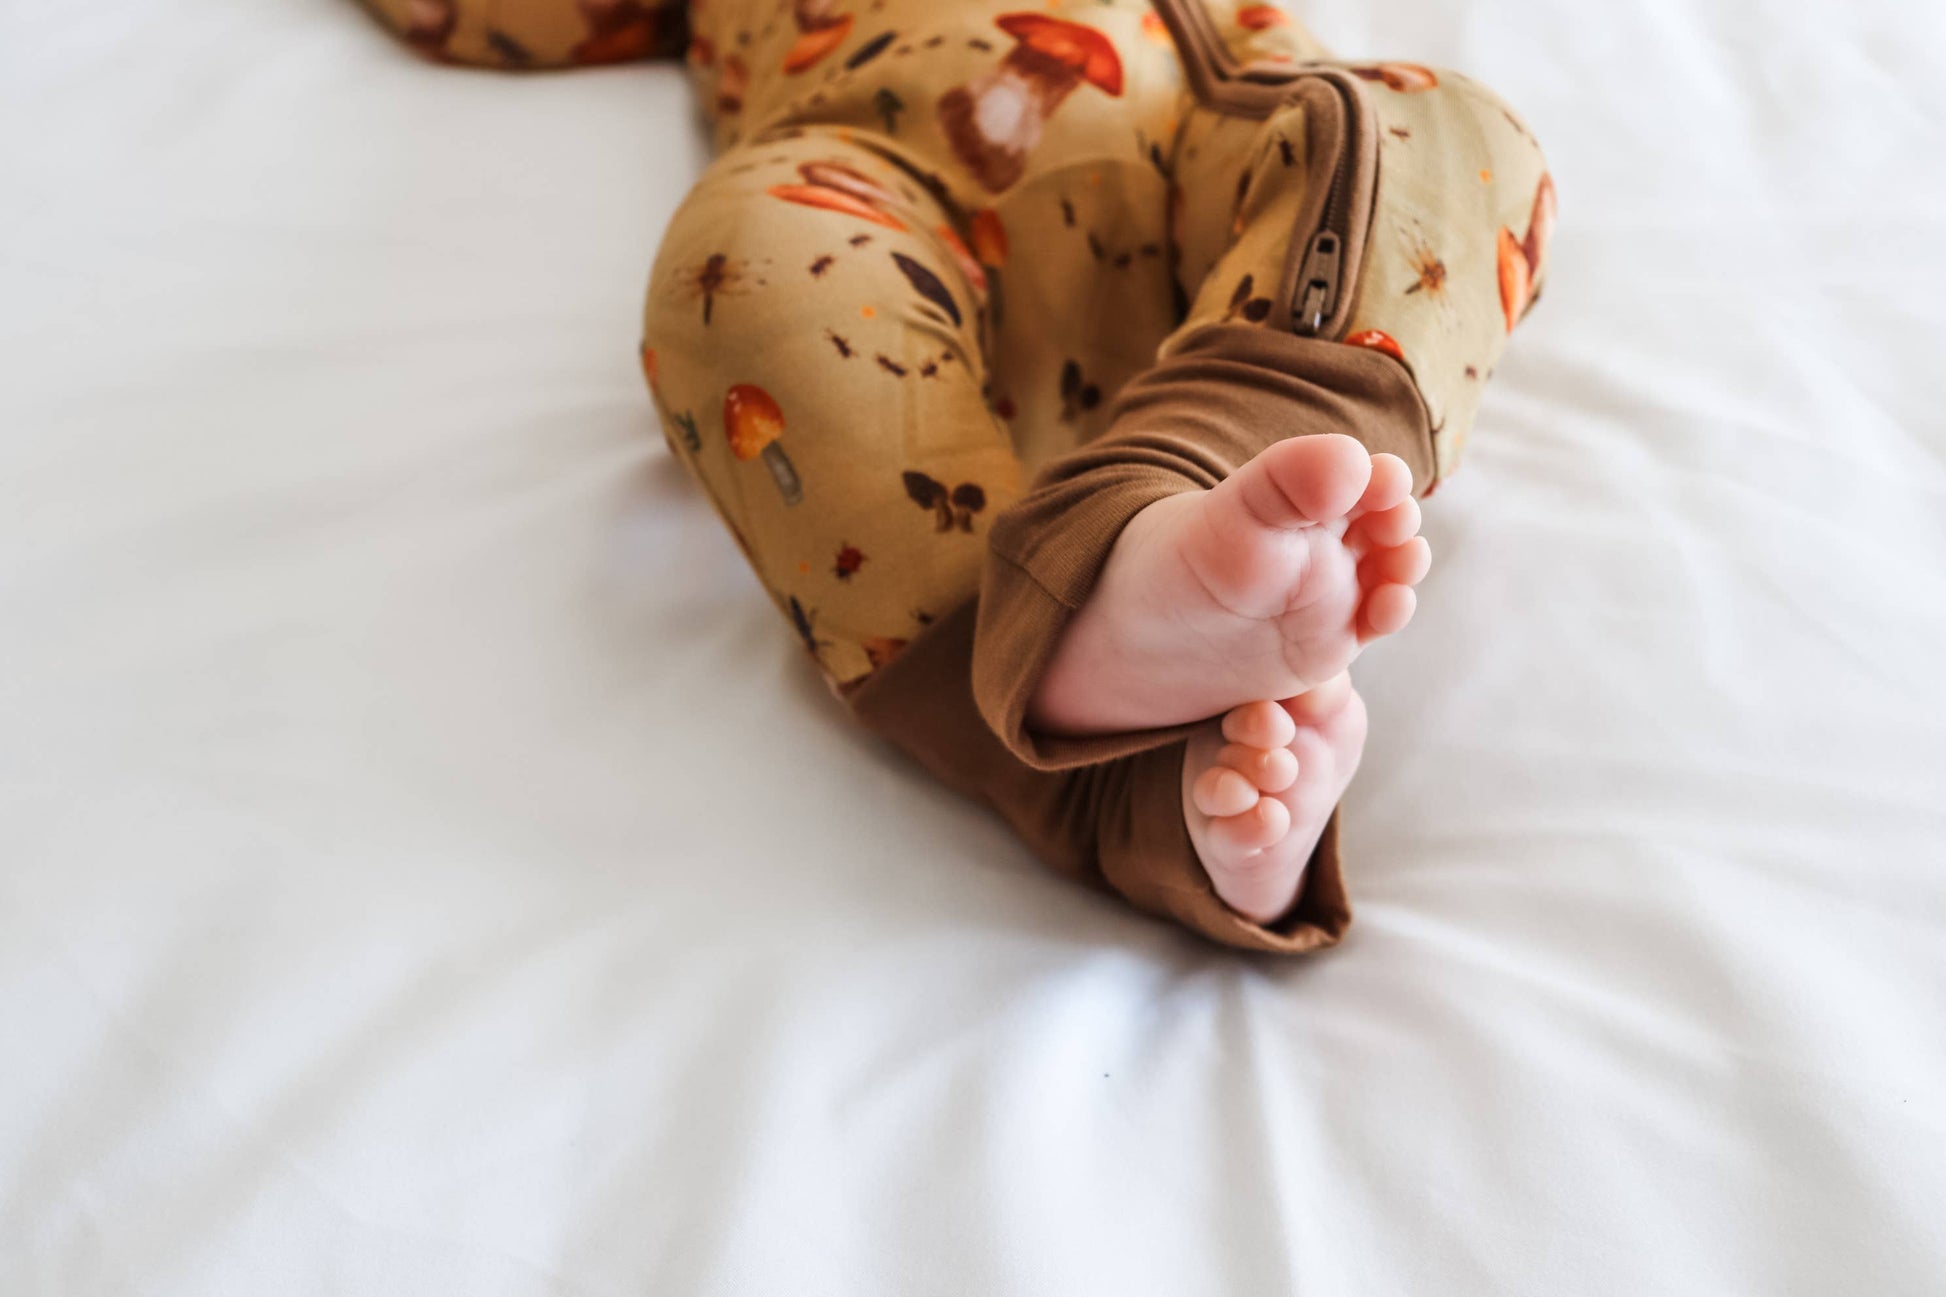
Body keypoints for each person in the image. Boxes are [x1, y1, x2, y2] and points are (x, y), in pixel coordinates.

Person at [360, 0, 1554, 951]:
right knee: (737, 274)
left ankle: (1211, 486)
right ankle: (1105, 719)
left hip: (1211, 150)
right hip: (878, 179)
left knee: (1436, 131)